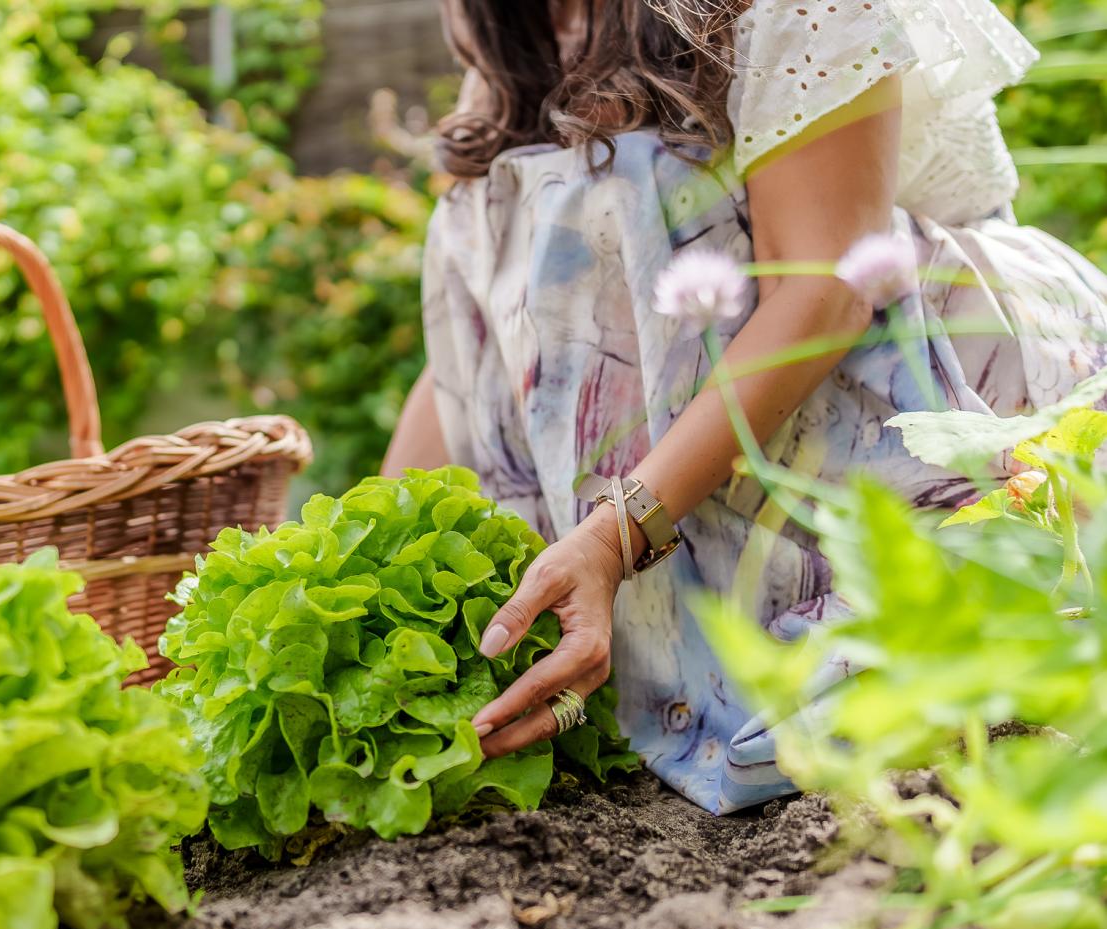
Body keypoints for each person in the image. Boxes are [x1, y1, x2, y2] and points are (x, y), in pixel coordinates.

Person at [380, 0, 1107, 813]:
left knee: (905, 694)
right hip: (687, 483)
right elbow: (488, 345)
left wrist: (614, 536)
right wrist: (365, 561)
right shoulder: (515, 26)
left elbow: (826, 292)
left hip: (891, 410)